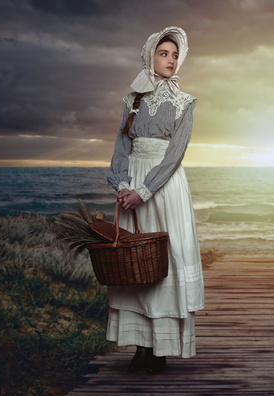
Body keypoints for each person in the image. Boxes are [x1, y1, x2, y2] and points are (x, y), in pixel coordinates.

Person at [106, 26, 204, 374]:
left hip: (163, 187)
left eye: (175, 55)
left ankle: (161, 349)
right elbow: (122, 147)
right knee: (135, 264)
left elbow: (175, 155)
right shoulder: (131, 100)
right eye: (164, 54)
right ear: (150, 56)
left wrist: (144, 190)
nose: (171, 60)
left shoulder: (184, 102)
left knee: (164, 264)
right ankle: (140, 346)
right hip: (131, 181)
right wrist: (121, 183)